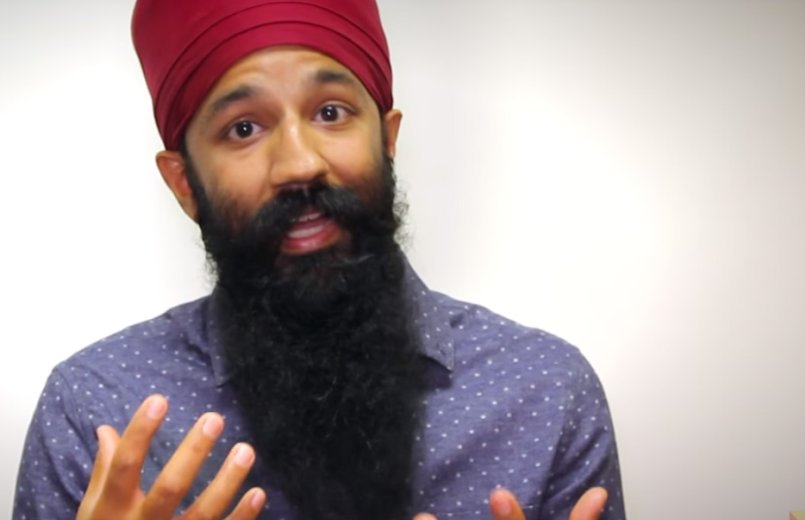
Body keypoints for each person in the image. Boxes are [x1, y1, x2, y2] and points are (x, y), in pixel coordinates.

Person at [13, 1, 625, 518]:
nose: (300, 164)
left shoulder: (544, 390)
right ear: (184, 184)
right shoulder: (96, 408)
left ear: (387, 139)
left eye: (330, 113)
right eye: (243, 128)